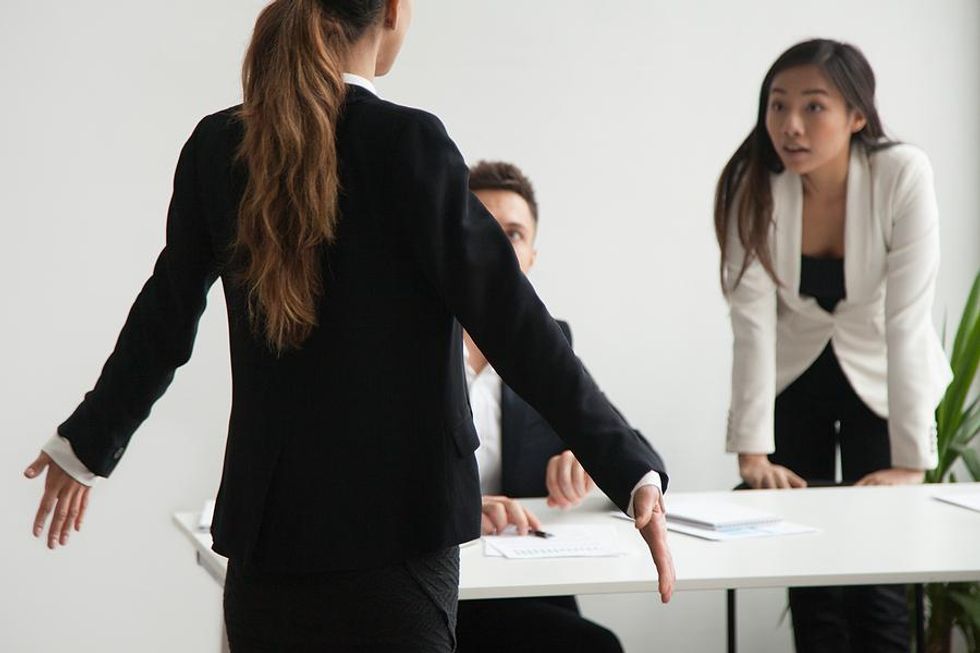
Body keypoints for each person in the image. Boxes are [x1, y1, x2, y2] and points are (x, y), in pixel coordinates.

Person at [23, 1, 675, 651]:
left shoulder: (218, 148)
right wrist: (632, 469)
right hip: (399, 543)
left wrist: (86, 443)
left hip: (268, 539)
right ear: (393, 10)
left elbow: (163, 318)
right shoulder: (410, 144)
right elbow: (514, 321)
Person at [715, 39, 951, 653]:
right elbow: (752, 320)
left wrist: (909, 461)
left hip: (883, 374)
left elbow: (906, 317)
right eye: (777, 105)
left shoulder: (903, 173)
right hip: (795, 374)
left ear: (857, 116)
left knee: (879, 574)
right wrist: (751, 452)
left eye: (814, 107)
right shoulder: (754, 182)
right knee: (807, 566)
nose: (790, 125)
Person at [455, 161, 656, 653]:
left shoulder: (549, 349)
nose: (499, 246)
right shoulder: (408, 347)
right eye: (483, 227)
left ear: (531, 255)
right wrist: (458, 507)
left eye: (514, 234)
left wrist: (588, 460)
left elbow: (637, 455)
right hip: (440, 580)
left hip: (526, 580)